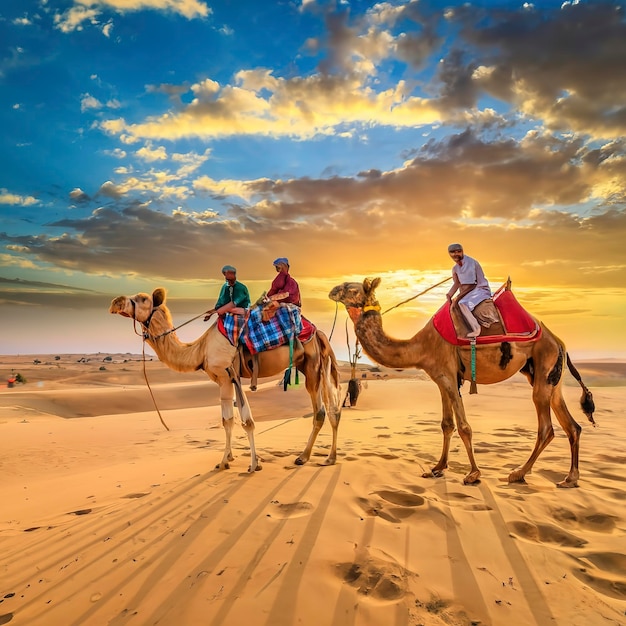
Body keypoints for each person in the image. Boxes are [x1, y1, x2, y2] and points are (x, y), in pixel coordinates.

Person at [445, 243, 491, 338]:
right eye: (453, 252)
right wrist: (449, 294)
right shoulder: (455, 268)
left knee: (463, 303)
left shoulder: (470, 263)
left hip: (479, 289)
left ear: (462, 252)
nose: (456, 254)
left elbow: (472, 284)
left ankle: (476, 328)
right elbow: (457, 283)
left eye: (458, 252)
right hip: (469, 291)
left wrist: (457, 298)